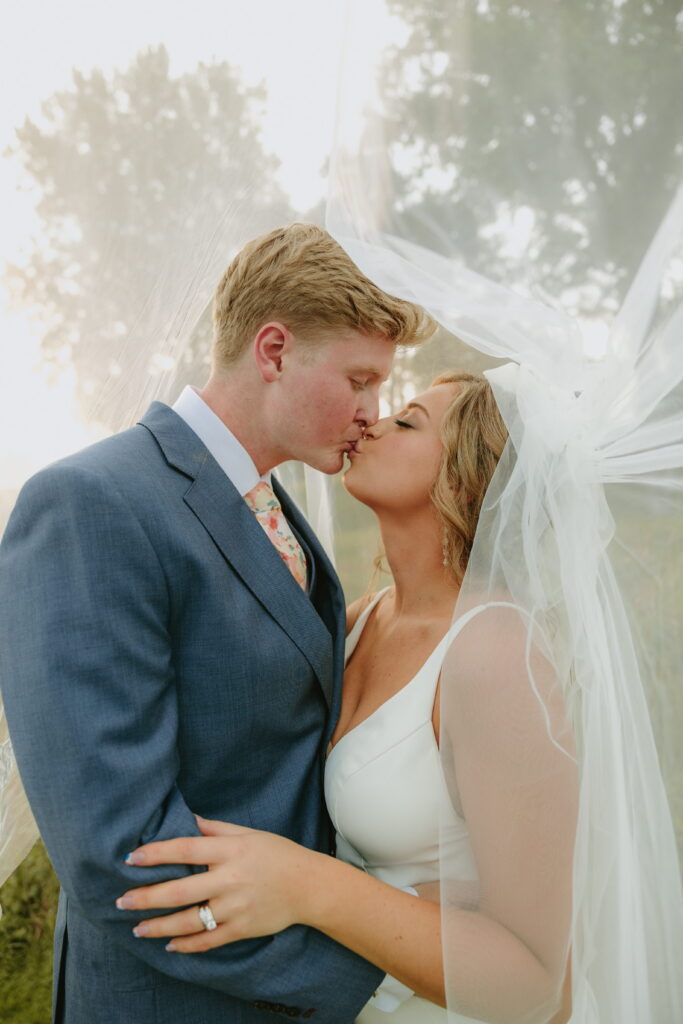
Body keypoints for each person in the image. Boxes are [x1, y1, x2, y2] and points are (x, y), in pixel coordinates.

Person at [0, 222, 436, 1024]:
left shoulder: (280, 511)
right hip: (170, 1001)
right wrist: (366, 986)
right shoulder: (92, 503)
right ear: (273, 351)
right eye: (360, 378)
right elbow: (120, 854)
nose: (372, 413)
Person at [117, 371, 579, 1024]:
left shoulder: (494, 653)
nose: (372, 421)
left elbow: (539, 985)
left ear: (465, 480)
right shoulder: (357, 621)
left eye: (408, 420)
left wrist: (311, 886)